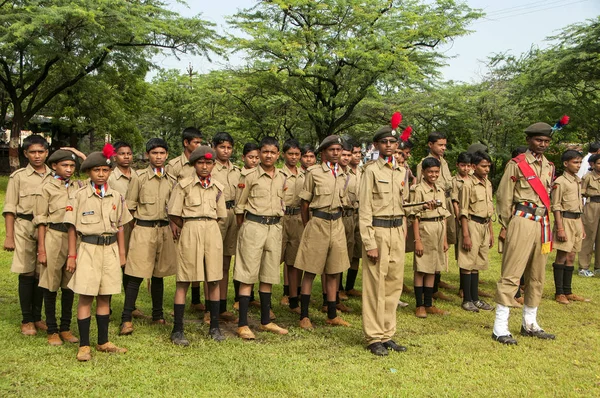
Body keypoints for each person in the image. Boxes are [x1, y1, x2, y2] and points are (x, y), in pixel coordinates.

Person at [65, 145, 133, 361]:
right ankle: (84, 345)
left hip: (110, 249)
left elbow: (121, 226)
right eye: (97, 171)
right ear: (88, 172)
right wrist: (72, 256)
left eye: (105, 170)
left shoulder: (117, 196)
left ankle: (103, 341)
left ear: (110, 172)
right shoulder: (79, 196)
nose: (101, 174)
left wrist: (122, 254)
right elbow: (72, 229)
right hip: (88, 249)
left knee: (105, 295)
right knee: (86, 296)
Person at [493, 122, 557, 345]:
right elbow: (503, 196)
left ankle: (530, 322)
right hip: (522, 219)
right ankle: (500, 327)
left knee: (537, 274)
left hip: (542, 222)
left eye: (547, 141)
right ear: (529, 140)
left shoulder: (549, 166)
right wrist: (507, 224)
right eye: (539, 140)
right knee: (512, 271)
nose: (543, 144)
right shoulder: (517, 164)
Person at [168, 145, 228, 345]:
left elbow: (221, 215)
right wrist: (190, 227)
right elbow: (174, 213)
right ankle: (178, 329)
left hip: (211, 230)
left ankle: (214, 327)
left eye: (209, 163)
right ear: (194, 164)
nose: (205, 166)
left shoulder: (218, 188)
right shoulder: (183, 185)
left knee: (213, 279)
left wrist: (206, 228)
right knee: (184, 279)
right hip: (190, 229)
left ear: (213, 165)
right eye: (201, 162)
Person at [359, 124, 409, 356]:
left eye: (392, 143)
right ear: (377, 146)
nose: (389, 146)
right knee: (374, 286)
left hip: (397, 230)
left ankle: (388, 333)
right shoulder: (370, 171)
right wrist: (369, 242)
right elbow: (365, 209)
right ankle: (373, 336)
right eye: (384, 142)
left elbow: (404, 205)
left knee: (393, 285)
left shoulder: (401, 171)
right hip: (377, 231)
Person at [119, 138, 177, 336]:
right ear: (147, 156)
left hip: (164, 229)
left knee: (158, 274)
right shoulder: (139, 177)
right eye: (154, 153)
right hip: (143, 228)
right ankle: (126, 318)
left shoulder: (172, 179)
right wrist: (134, 230)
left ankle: (158, 314)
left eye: (162, 153)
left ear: (167, 155)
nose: (158, 157)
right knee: (135, 274)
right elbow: (130, 206)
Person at [234, 136, 288, 339]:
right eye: (265, 151)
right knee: (248, 274)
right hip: (253, 226)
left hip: (274, 227)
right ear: (260, 153)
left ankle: (266, 321)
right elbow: (239, 207)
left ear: (278, 154)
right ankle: (242, 324)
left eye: (273, 152)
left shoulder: (282, 177)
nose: (269, 155)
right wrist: (246, 229)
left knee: (269, 273)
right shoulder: (249, 176)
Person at [294, 135, 351, 330]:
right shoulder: (314, 172)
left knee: (334, 270)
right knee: (310, 270)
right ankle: (304, 315)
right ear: (323, 152)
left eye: (338, 149)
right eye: (332, 150)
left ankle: (332, 314)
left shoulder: (343, 174)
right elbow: (304, 202)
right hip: (318, 222)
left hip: (337, 223)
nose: (336, 153)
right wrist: (308, 225)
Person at [3, 134, 52, 335]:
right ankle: (26, 319)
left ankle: (38, 316)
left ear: (47, 153)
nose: (37, 156)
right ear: (25, 153)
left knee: (42, 273)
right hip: (24, 226)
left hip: (48, 229)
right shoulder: (19, 177)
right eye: (32, 152)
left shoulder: (55, 175)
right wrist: (9, 236)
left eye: (41, 151)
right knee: (26, 272)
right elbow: (10, 207)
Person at [34, 149, 83, 345]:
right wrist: (42, 249)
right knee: (51, 284)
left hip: (74, 239)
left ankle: (65, 327)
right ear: (54, 166)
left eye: (72, 166)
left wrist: (76, 152)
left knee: (69, 284)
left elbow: (96, 164)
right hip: (53, 237)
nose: (69, 169)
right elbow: (40, 221)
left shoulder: (79, 186)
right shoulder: (46, 188)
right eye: (64, 165)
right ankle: (52, 329)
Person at [166, 127, 206, 313]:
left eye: (200, 142)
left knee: (201, 262)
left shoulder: (203, 162)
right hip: (180, 219)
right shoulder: (174, 165)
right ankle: (179, 305)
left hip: (199, 218)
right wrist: (173, 222)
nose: (198, 145)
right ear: (186, 143)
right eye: (195, 142)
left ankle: (196, 300)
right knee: (185, 262)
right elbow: (169, 194)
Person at [106, 140, 144, 318]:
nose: (126, 156)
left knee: (131, 267)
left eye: (129, 153)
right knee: (112, 266)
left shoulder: (137, 176)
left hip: (135, 225)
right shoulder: (110, 177)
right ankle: (107, 305)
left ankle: (131, 305)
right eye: (122, 153)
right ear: (115, 156)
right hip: (115, 226)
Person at [416, 132, 455, 300]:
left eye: (445, 145)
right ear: (430, 145)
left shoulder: (443, 163)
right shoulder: (424, 164)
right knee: (424, 260)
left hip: (442, 205)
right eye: (440, 145)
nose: (443, 148)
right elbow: (419, 188)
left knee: (439, 252)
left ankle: (435, 286)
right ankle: (425, 296)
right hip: (427, 211)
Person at [411, 157, 451, 318]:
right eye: (430, 172)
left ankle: (429, 303)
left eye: (436, 172)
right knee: (421, 268)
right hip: (425, 229)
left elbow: (445, 216)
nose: (433, 175)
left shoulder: (439, 189)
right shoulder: (418, 190)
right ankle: (419, 305)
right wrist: (417, 240)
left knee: (433, 268)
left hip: (439, 229)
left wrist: (445, 239)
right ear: (423, 172)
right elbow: (414, 215)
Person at [457, 151, 495, 313]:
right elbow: (463, 210)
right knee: (467, 262)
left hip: (484, 225)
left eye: (488, 166)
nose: (486, 169)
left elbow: (489, 208)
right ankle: (467, 299)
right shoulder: (467, 184)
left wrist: (491, 232)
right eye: (483, 166)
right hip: (471, 224)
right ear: (473, 166)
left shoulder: (487, 183)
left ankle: (475, 298)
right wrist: (465, 234)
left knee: (477, 263)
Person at [552, 150, 589, 304]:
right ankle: (559, 292)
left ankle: (568, 291)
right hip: (565, 220)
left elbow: (579, 206)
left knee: (572, 255)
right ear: (566, 163)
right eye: (575, 162)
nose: (578, 165)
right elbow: (556, 206)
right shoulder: (560, 181)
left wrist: (581, 226)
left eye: (580, 162)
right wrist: (560, 228)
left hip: (576, 220)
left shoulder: (577, 180)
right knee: (562, 255)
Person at [212, 132, 242, 322]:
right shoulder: (209, 168)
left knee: (225, 261)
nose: (226, 151)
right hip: (216, 215)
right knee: (211, 261)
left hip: (233, 213)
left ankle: (222, 305)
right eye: (222, 147)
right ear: (214, 147)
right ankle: (210, 307)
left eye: (229, 147)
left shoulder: (237, 170)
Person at [233, 142, 261, 310]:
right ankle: (239, 296)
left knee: (255, 261)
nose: (254, 161)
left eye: (257, 157)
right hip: (242, 219)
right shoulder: (240, 174)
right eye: (251, 157)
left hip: (255, 223)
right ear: (244, 157)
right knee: (242, 261)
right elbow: (240, 201)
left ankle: (252, 295)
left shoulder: (261, 174)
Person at [279, 138, 305, 314]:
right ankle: (255, 297)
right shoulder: (278, 174)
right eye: (290, 154)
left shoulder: (305, 175)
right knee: (273, 258)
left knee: (295, 260)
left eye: (297, 154)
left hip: (298, 217)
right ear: (283, 154)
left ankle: (294, 299)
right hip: (281, 217)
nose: (294, 157)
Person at [345, 140, 364, 298]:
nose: (357, 156)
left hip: (360, 215)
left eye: (359, 153)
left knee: (356, 252)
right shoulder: (344, 173)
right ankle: (338, 287)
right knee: (342, 252)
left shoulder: (362, 172)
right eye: (354, 153)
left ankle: (349, 286)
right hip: (346, 215)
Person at [578, 153, 600, 277]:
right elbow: (581, 194)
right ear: (593, 164)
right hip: (592, 206)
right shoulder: (588, 177)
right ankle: (583, 266)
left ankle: (598, 267)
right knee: (589, 236)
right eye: (598, 163)